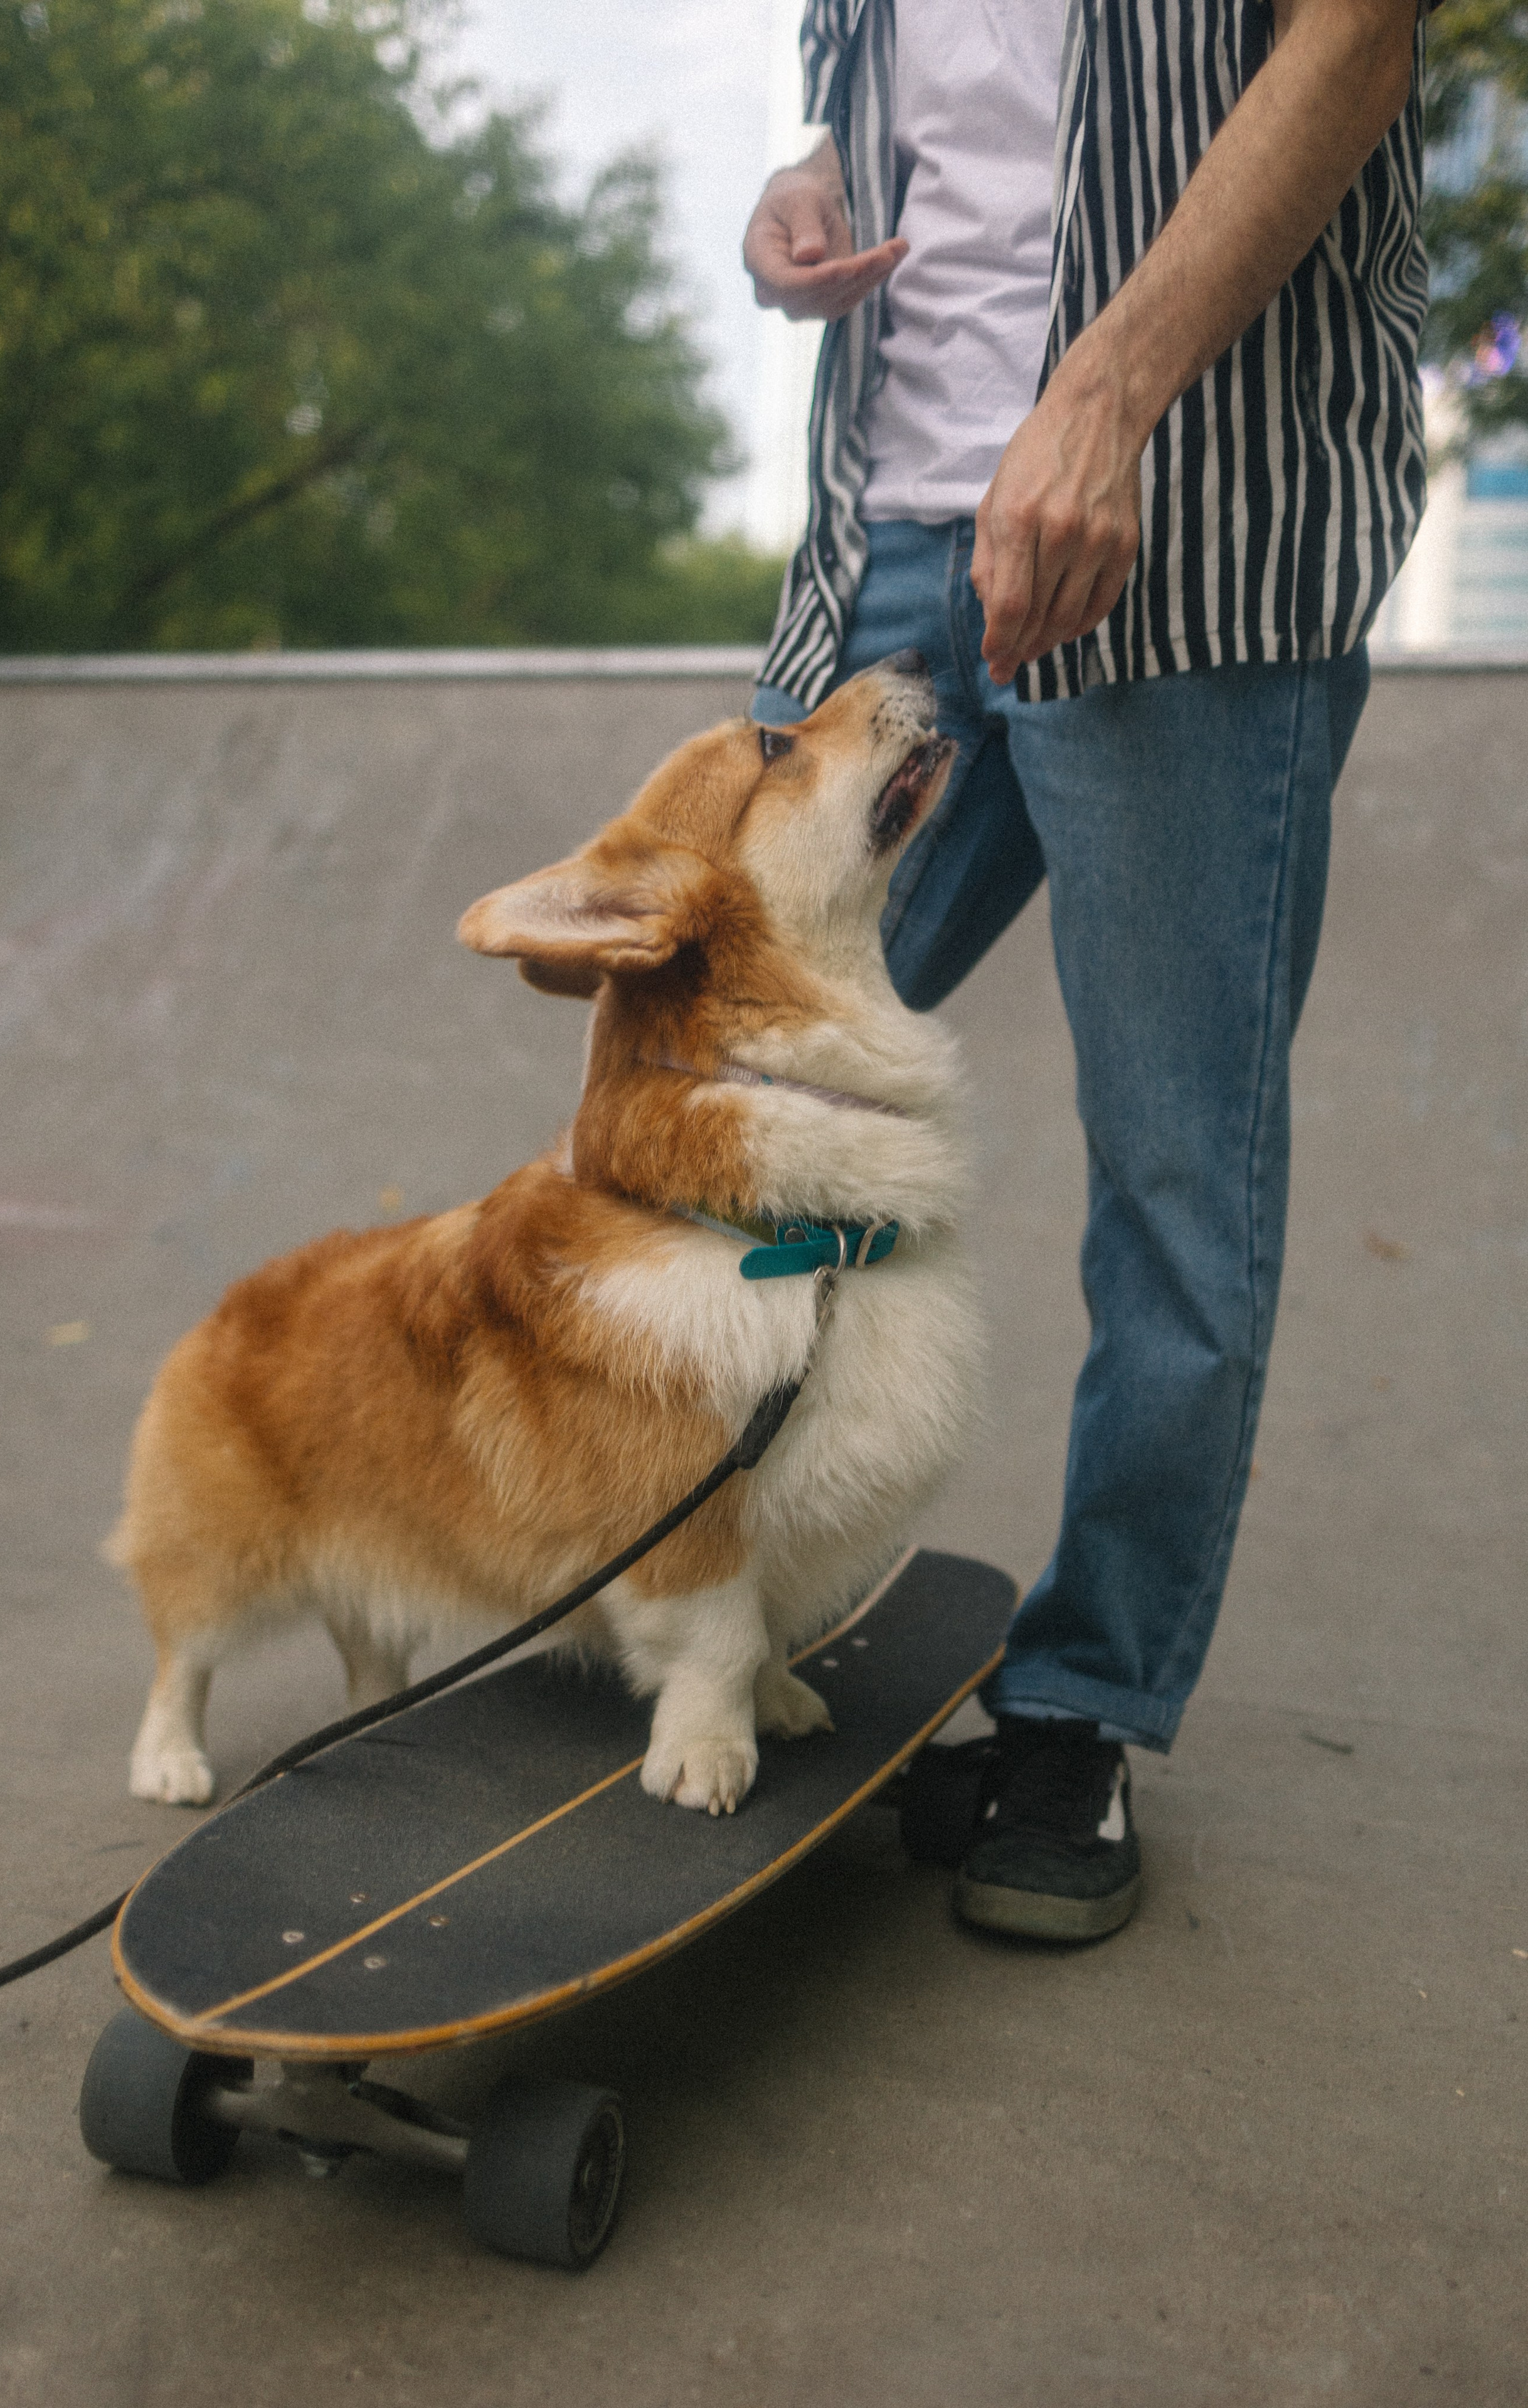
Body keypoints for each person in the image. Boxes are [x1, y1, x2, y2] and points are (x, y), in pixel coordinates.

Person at [743, 0, 1431, 1940]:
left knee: (1174, 1176)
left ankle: (1082, 1699)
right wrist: (814, 176)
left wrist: (1106, 399)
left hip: (1186, 545)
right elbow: (938, 112)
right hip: (890, 537)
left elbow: (1358, 38)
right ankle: (677, 1581)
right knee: (728, 1098)